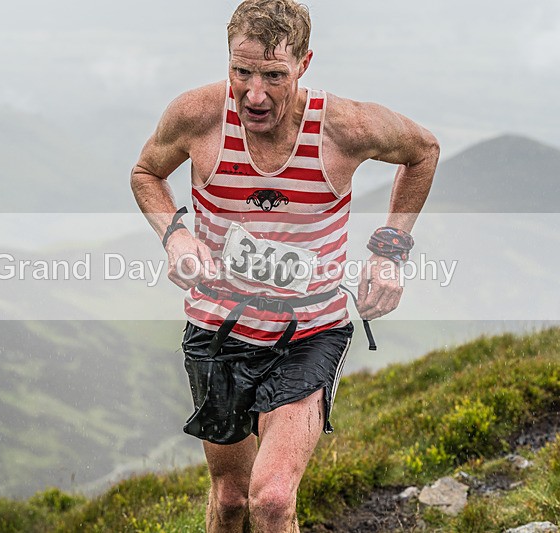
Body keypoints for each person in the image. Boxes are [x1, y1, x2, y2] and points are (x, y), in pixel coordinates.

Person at [131, 1, 439, 530]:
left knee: (272, 499)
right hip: (218, 328)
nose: (254, 94)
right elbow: (145, 173)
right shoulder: (197, 115)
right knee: (231, 499)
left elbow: (423, 151)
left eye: (274, 76)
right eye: (241, 72)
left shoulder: (344, 126)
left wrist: (390, 251)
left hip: (309, 331)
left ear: (303, 64)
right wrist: (175, 235)